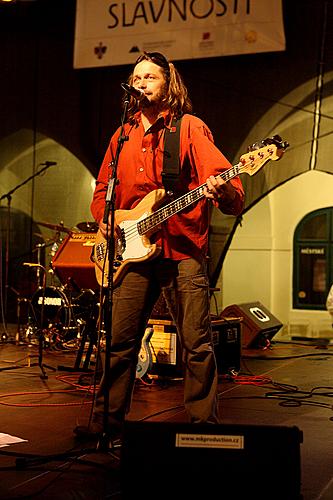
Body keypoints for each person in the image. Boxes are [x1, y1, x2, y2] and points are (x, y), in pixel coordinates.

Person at [74, 51, 244, 443]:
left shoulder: (189, 128)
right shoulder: (123, 134)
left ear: (169, 84)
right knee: (118, 343)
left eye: (150, 76)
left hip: (181, 250)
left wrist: (225, 193)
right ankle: (105, 425)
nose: (142, 82)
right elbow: (103, 191)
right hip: (131, 252)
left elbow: (226, 183)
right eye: (137, 77)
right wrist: (108, 219)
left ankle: (204, 430)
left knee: (196, 344)